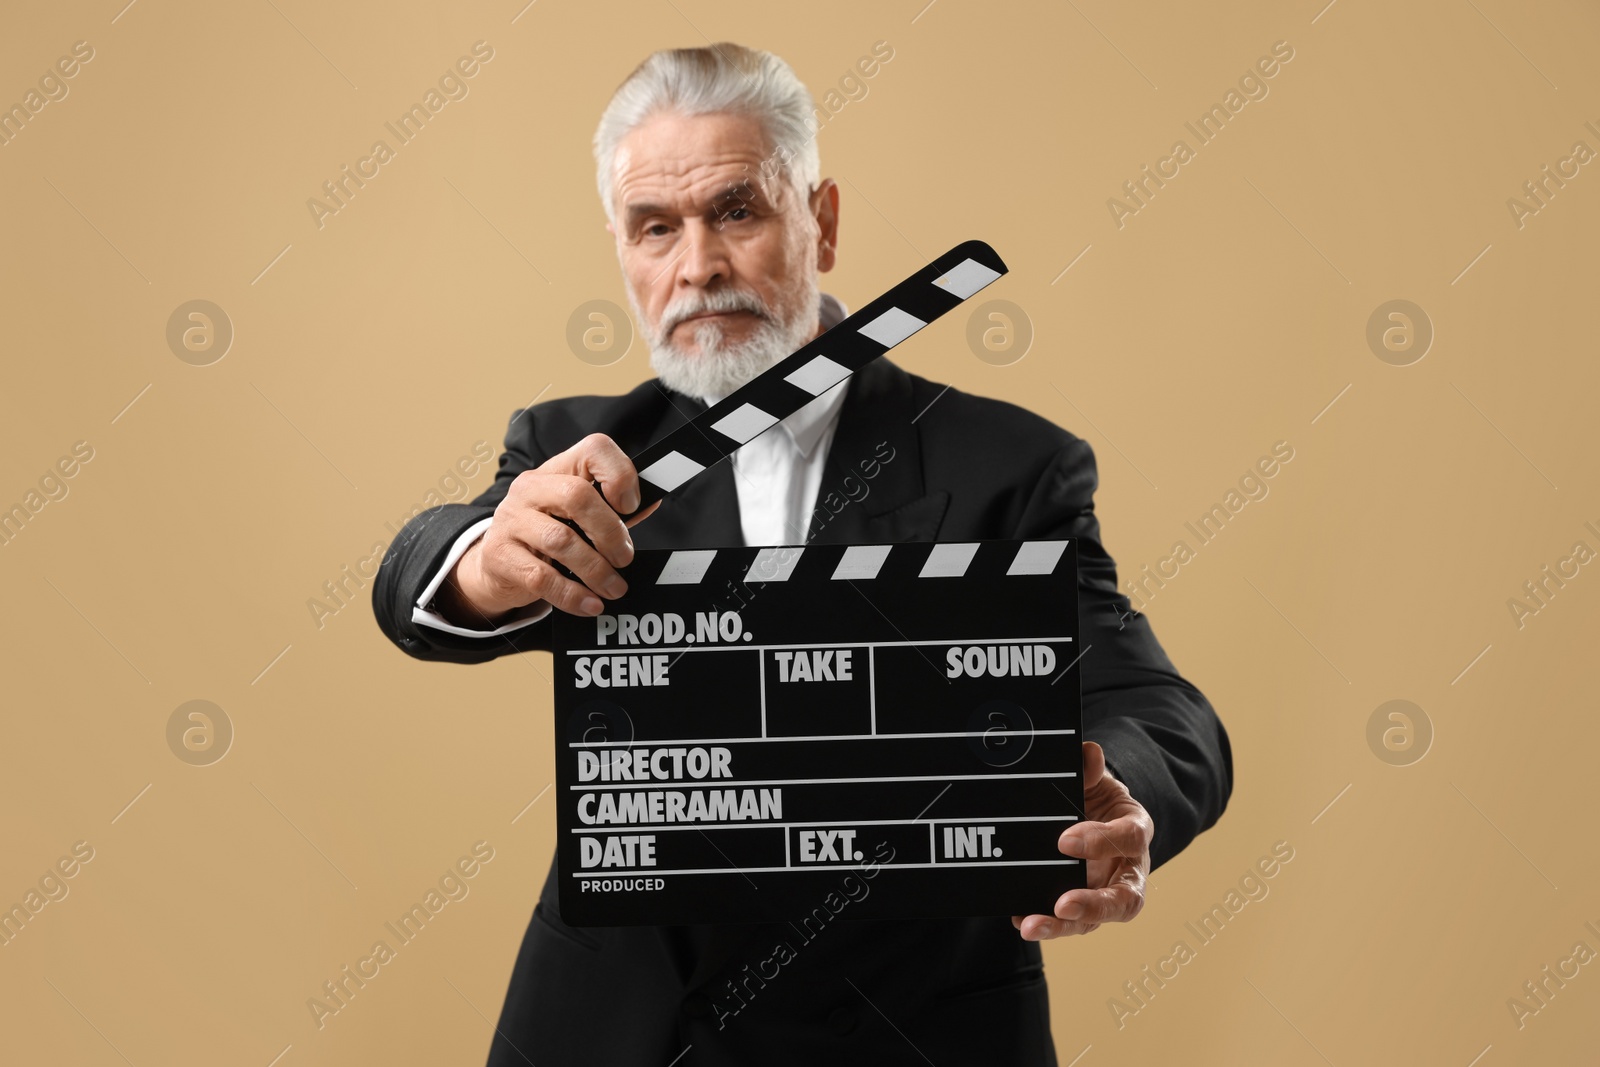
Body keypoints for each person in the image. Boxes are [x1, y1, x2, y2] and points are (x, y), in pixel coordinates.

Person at [372, 42, 1231, 1067]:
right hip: (618, 1025)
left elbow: (1158, 706)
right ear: (621, 249)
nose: (696, 265)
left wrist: (1122, 789)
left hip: (919, 1021)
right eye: (656, 228)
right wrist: (491, 558)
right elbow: (419, 579)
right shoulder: (577, 452)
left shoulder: (1009, 463)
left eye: (736, 210)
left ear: (818, 219)